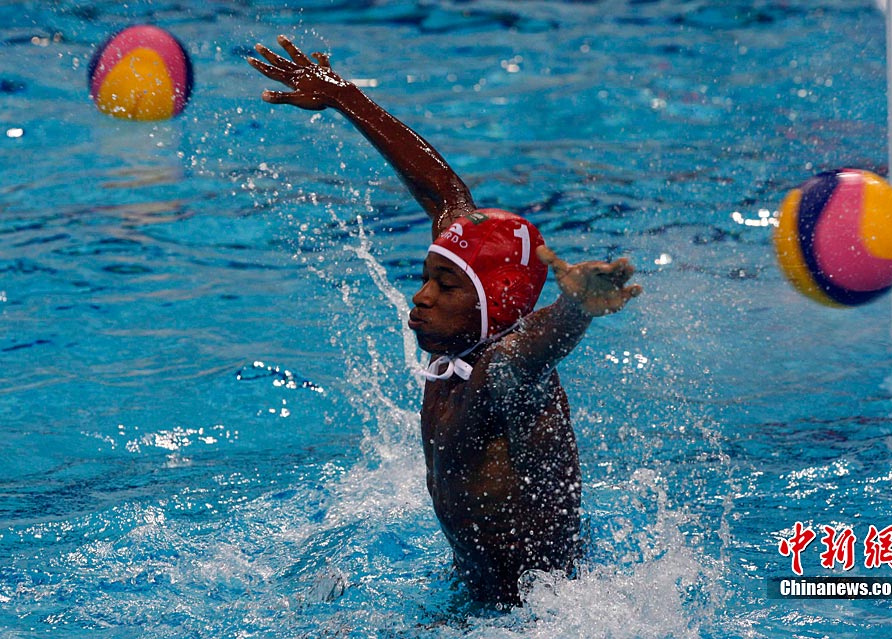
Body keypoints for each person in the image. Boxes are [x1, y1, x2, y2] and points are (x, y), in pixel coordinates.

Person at [248, 36, 641, 605]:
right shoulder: (467, 334)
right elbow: (445, 194)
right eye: (427, 276)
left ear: (493, 304)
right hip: (469, 590)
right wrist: (343, 97)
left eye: (446, 285)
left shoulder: (500, 369)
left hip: (532, 616)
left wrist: (575, 308)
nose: (422, 297)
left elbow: (535, 346)